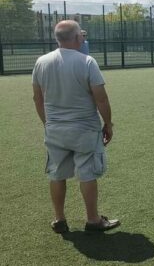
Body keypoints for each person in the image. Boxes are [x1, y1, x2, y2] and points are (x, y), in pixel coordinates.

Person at [32, 20, 119, 233]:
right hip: (84, 129)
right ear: (77, 37)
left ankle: (59, 220)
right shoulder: (87, 61)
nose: (83, 37)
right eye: (82, 35)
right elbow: (101, 99)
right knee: (88, 174)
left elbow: (37, 98)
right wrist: (108, 123)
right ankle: (93, 220)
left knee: (56, 174)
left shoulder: (41, 62)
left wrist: (48, 123)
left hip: (55, 130)